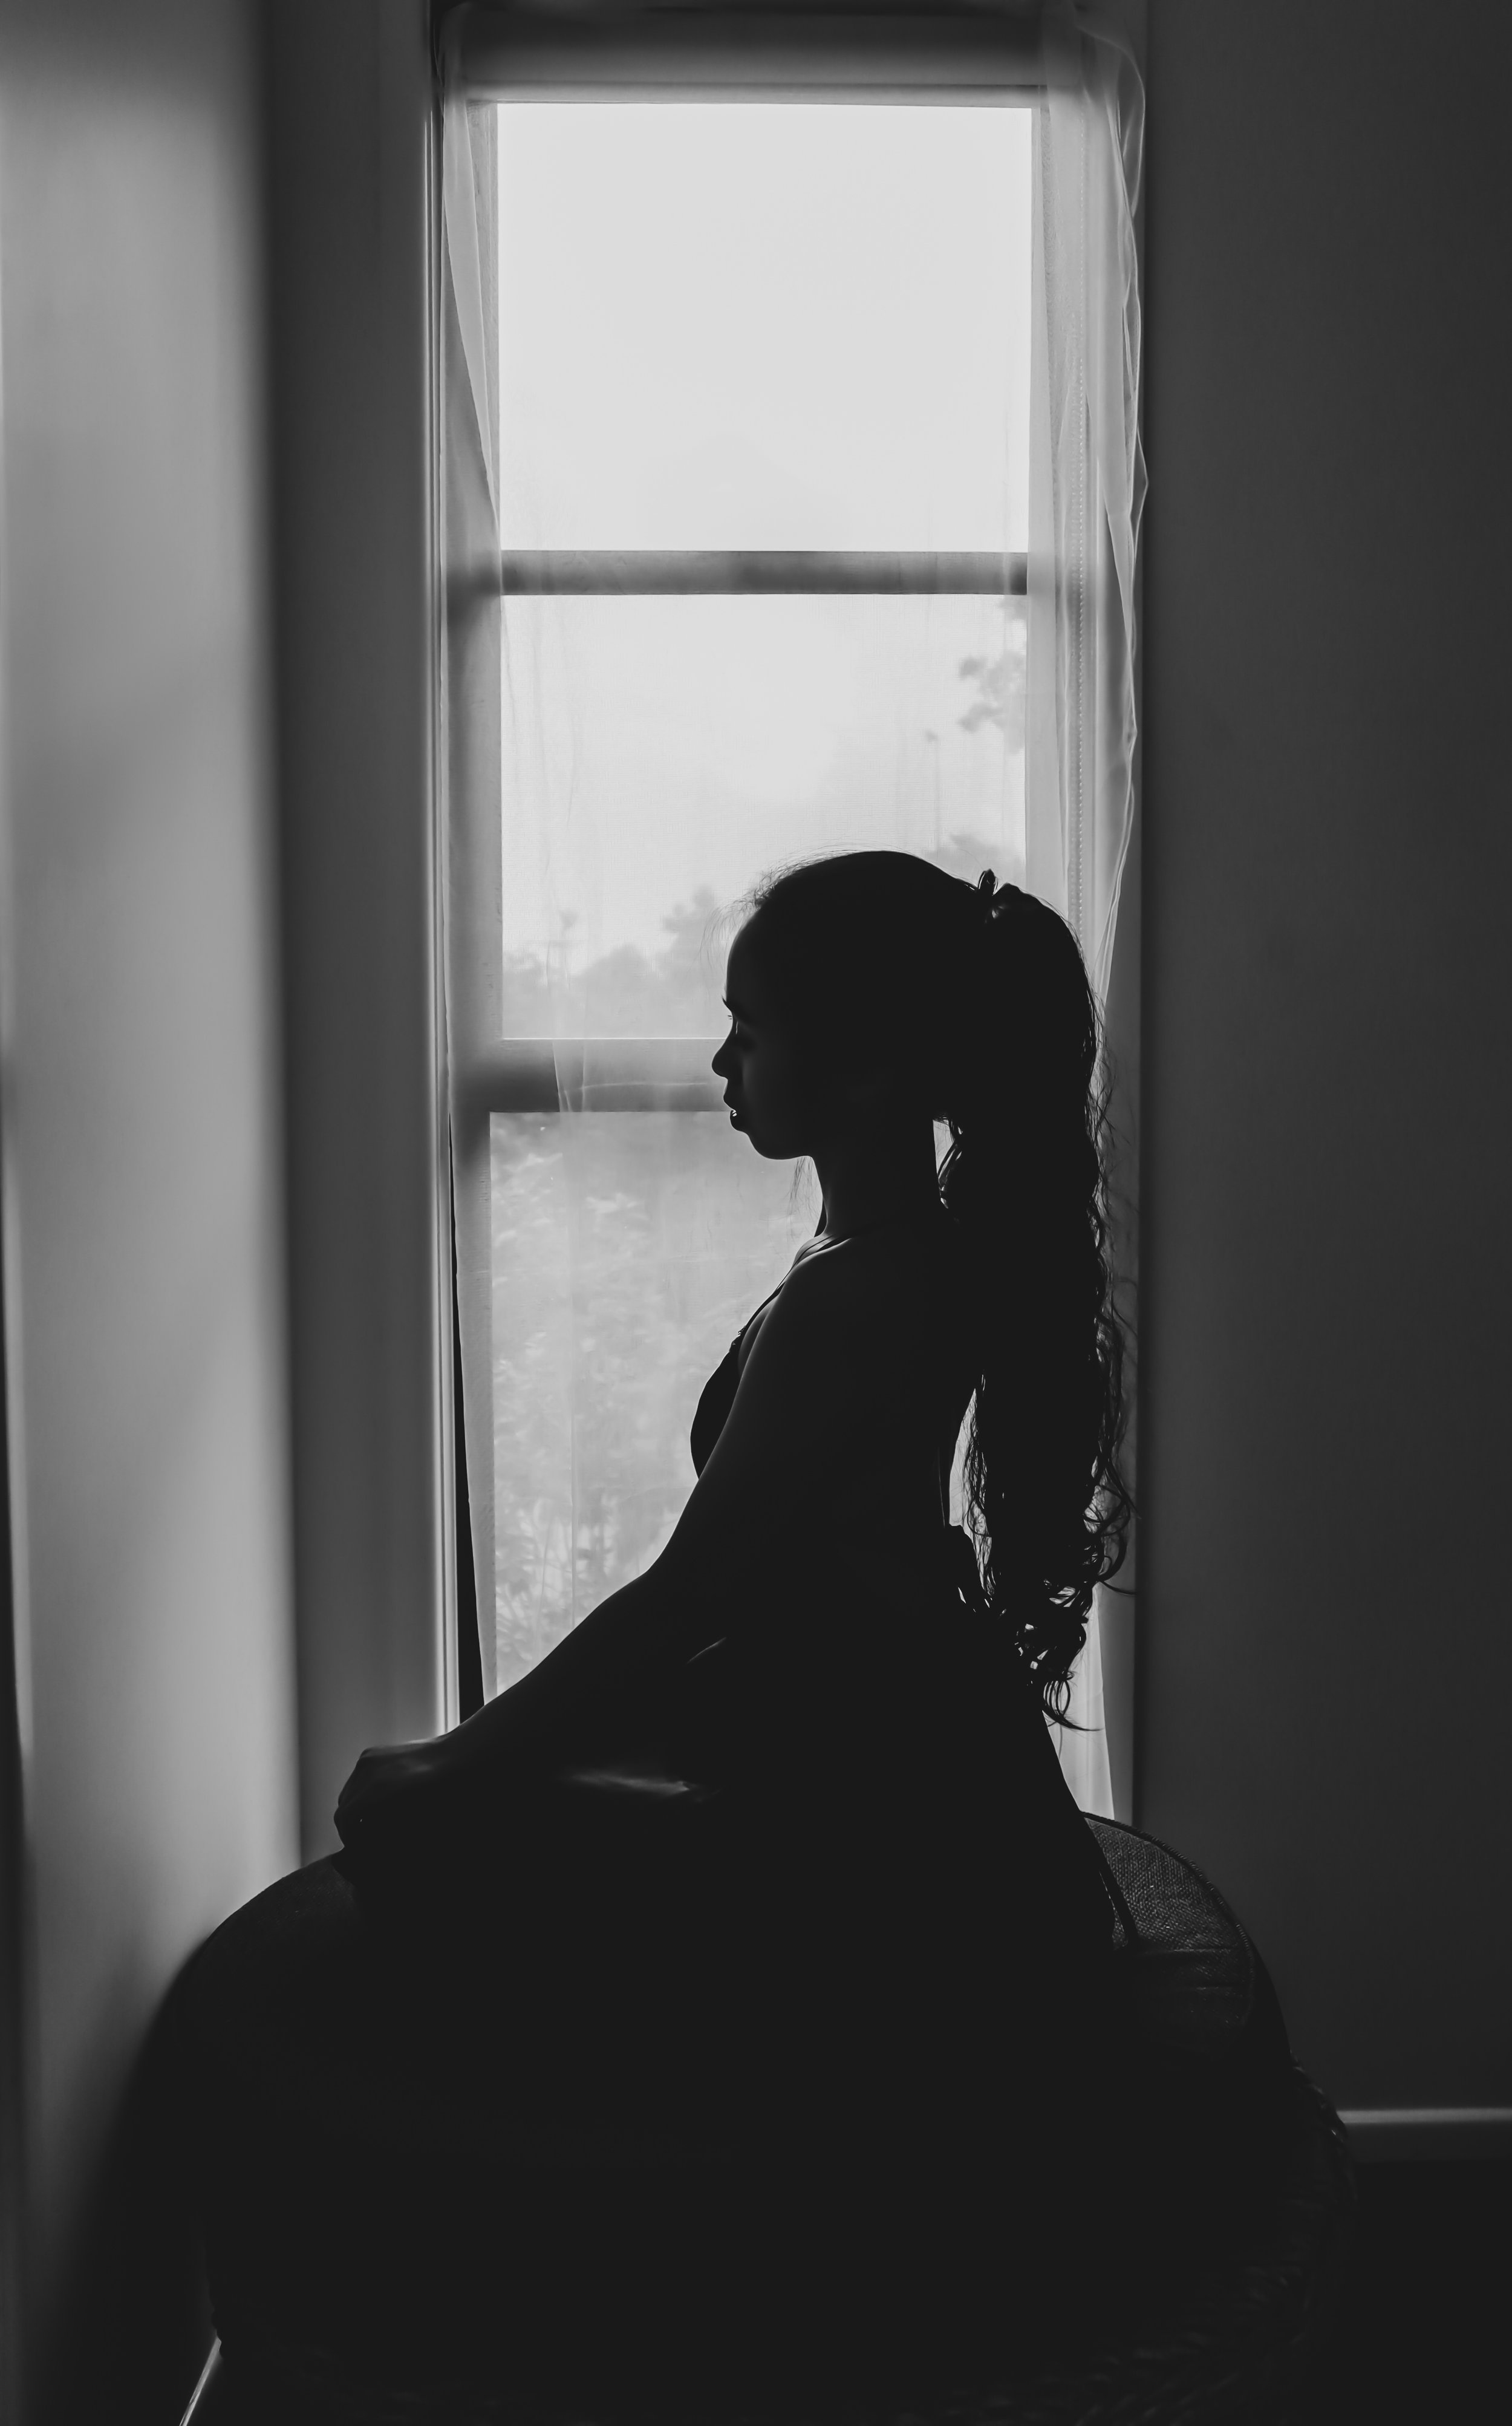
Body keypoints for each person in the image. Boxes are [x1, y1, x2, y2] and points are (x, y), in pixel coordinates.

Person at [319, 850, 1135, 2393]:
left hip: (858, 1770)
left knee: (419, 1830)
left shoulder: (866, 1292)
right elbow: (740, 1596)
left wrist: (455, 1759)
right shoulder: (875, 1261)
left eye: (749, 1029)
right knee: (463, 1810)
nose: (719, 1061)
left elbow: (692, 1587)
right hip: (845, 1710)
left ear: (873, 1064)